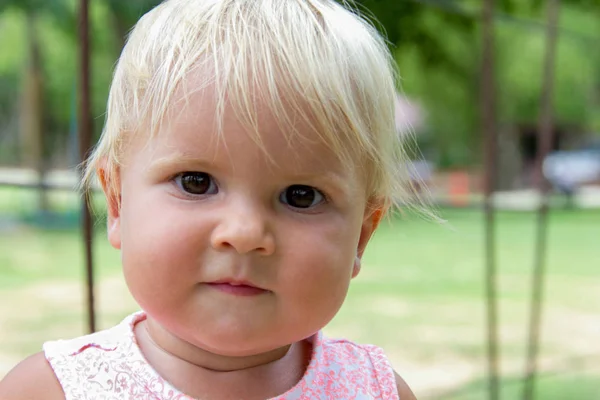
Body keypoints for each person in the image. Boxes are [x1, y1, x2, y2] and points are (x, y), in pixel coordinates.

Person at [0, 0, 419, 398]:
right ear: (117, 201)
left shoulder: (376, 391)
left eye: (301, 196)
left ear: (361, 236)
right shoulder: (50, 391)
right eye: (196, 182)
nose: (244, 233)